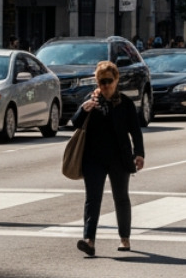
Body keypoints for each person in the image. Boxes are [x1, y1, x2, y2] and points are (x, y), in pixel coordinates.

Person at [73, 60, 145, 256]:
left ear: (116, 80)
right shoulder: (92, 101)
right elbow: (74, 123)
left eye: (108, 81)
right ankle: (89, 240)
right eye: (101, 81)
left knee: (121, 198)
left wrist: (139, 153)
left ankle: (124, 238)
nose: (105, 85)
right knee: (92, 199)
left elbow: (135, 131)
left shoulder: (125, 103)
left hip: (119, 159)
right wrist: (84, 109)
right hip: (93, 159)